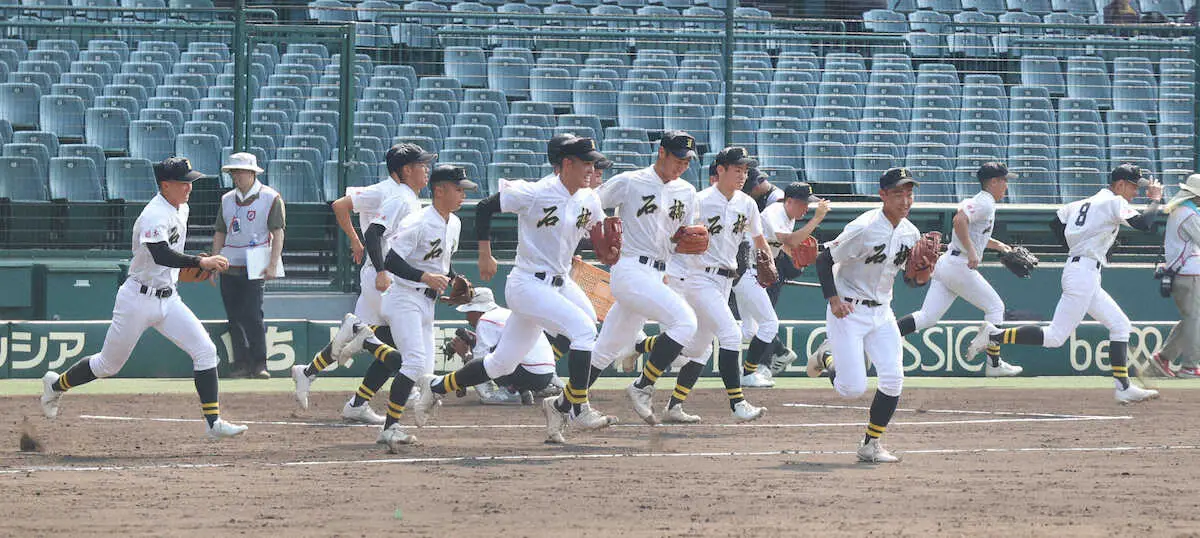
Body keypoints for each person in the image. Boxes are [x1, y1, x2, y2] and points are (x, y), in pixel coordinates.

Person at [410, 136, 616, 445]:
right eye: (585, 162)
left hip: (560, 283)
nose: (591, 168)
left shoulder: (590, 198)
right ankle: (577, 408)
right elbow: (484, 207)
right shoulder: (534, 192)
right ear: (566, 164)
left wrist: (607, 252)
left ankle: (437, 387)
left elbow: (593, 238)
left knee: (501, 363)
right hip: (527, 283)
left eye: (592, 162)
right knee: (584, 331)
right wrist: (484, 252)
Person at [39, 157, 248, 440]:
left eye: (190, 181)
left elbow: (171, 254)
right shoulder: (154, 214)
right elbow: (160, 253)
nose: (189, 186)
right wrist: (201, 263)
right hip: (137, 299)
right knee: (107, 366)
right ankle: (55, 386)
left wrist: (196, 261)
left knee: (206, 351)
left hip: (169, 298)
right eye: (183, 182)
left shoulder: (181, 207)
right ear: (165, 185)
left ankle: (213, 423)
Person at [967, 164, 1163, 403]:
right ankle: (995, 335)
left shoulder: (1081, 203)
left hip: (1083, 271)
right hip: (1083, 274)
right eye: (1133, 186)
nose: (1136, 191)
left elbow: (1056, 222)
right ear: (1120, 184)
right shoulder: (1114, 201)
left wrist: (1077, 247)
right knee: (1055, 337)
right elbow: (1145, 224)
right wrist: (1155, 200)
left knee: (1120, 325)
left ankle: (1123, 387)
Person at [810, 162, 1023, 378]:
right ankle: (993, 363)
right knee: (996, 307)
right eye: (1004, 180)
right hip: (959, 265)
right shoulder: (985, 202)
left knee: (927, 317)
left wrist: (998, 246)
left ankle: (851, 348)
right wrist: (972, 252)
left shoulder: (979, 203)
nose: (1006, 186)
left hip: (948, 262)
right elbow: (959, 220)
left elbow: (973, 233)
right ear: (993, 181)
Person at [334, 164, 476, 451]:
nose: (463, 194)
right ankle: (390, 428)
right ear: (439, 190)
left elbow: (440, 263)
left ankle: (365, 337)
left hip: (427, 301)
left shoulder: (455, 223)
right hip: (404, 297)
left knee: (424, 369)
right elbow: (392, 260)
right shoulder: (419, 221)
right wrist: (425, 277)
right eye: (458, 189)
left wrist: (454, 280)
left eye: (464, 190)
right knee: (412, 363)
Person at [291, 144, 432, 423]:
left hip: (384, 273)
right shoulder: (388, 191)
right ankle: (356, 330)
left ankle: (314, 375)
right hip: (383, 275)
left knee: (388, 343)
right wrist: (356, 241)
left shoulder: (405, 196)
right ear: (405, 170)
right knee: (396, 343)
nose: (427, 169)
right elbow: (340, 205)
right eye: (421, 164)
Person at [587, 130, 701, 426]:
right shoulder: (630, 181)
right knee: (685, 322)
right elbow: (589, 207)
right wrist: (591, 240)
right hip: (629, 269)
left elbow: (683, 238)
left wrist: (684, 246)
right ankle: (642, 386)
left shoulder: (686, 192)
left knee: (606, 349)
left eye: (687, 161)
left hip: (658, 272)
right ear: (661, 152)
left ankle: (563, 405)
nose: (682, 165)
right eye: (678, 158)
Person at [653, 146, 773, 424]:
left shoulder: (747, 203)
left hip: (726, 280)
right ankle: (738, 404)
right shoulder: (699, 201)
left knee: (699, 349)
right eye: (737, 169)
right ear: (720, 170)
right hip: (698, 278)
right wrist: (668, 269)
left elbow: (758, 237)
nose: (743, 175)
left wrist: (768, 261)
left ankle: (671, 403)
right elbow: (672, 235)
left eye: (745, 170)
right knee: (731, 335)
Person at [812, 167, 924, 463]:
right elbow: (824, 260)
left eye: (909, 193)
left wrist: (920, 274)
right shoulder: (863, 227)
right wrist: (833, 300)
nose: (905, 200)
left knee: (893, 378)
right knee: (851, 389)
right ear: (883, 195)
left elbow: (911, 280)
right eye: (898, 193)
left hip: (882, 311)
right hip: (848, 311)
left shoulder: (911, 233)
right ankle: (827, 358)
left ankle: (870, 445)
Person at [736, 180, 830, 385]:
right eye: (803, 203)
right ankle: (748, 374)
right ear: (788, 201)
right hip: (746, 269)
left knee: (748, 331)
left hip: (752, 271)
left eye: (808, 203)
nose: (806, 207)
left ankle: (706, 333)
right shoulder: (775, 212)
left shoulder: (789, 216)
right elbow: (792, 241)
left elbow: (786, 248)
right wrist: (816, 219)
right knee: (769, 324)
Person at [211, 152, 285, 379]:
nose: (236, 176)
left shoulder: (271, 197)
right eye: (233, 172)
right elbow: (220, 233)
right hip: (229, 263)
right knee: (234, 316)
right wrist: (214, 261)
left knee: (253, 314)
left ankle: (260, 363)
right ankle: (241, 364)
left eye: (240, 172)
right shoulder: (226, 199)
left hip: (256, 263)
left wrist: (273, 263)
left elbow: (278, 233)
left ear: (252, 173)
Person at [449, 287, 563, 404]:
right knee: (501, 351)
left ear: (478, 311)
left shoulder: (485, 321)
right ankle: (518, 390)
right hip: (545, 375)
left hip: (529, 373)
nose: (467, 318)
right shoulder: (507, 314)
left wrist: (465, 356)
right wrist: (474, 343)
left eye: (468, 312)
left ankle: (510, 393)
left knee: (493, 357)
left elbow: (481, 368)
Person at [1152, 173, 1200, 378]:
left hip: (1184, 273)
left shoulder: (1182, 211)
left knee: (1193, 319)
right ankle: (1190, 365)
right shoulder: (1188, 215)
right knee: (1194, 320)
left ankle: (1163, 358)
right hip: (1189, 274)